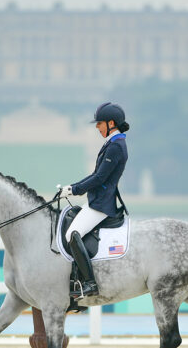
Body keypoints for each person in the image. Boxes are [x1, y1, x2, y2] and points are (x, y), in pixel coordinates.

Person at [59, 102, 130, 298]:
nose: (97, 127)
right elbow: (95, 174)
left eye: (99, 123)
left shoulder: (116, 146)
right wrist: (72, 187)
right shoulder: (112, 143)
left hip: (101, 204)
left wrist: (74, 190)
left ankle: (89, 283)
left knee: (72, 234)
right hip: (96, 200)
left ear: (111, 123)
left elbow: (100, 178)